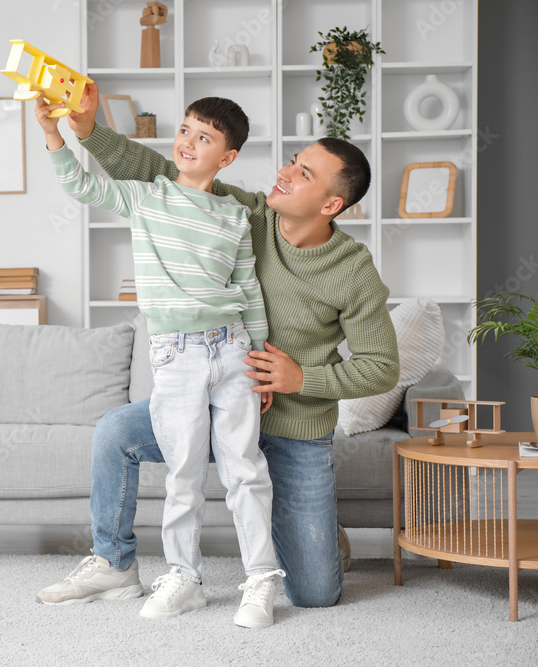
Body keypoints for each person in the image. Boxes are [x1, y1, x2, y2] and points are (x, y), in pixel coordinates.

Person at [37, 82, 399, 614]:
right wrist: (86, 129)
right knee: (116, 431)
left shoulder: (353, 270)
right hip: (217, 397)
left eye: (303, 173)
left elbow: (382, 367)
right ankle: (114, 564)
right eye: (293, 160)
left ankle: (315, 530)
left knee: (317, 594)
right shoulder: (247, 215)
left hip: (293, 429)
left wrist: (301, 379)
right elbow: (160, 175)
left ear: (330, 203)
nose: (285, 172)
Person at [34, 94, 287, 627]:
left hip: (235, 348)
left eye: (205, 137)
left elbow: (248, 288)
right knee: (184, 473)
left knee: (246, 471)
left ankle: (261, 581)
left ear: (228, 157)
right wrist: (56, 135)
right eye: (186, 130)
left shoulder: (235, 214)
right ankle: (184, 578)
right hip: (177, 355)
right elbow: (82, 185)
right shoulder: (147, 197)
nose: (188, 142)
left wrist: (261, 360)